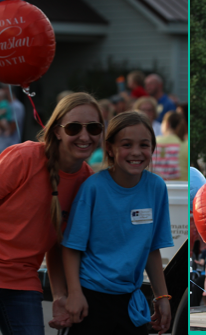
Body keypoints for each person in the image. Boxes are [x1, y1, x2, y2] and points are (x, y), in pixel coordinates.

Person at [0, 92, 105, 334]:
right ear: (56, 130)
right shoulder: (23, 158)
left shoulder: (87, 180)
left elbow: (56, 243)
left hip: (23, 280)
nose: (85, 136)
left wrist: (59, 296)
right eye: (74, 128)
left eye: (94, 128)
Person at [62, 111, 173, 335]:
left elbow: (152, 248)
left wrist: (161, 296)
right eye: (126, 144)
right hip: (91, 299)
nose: (135, 152)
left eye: (144, 145)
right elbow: (72, 247)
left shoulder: (157, 188)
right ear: (110, 148)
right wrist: (74, 293)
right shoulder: (93, 188)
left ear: (152, 149)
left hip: (130, 301)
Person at [153, 111, 188, 181]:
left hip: (156, 189)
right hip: (181, 190)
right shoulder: (186, 145)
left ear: (167, 124)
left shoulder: (152, 143)